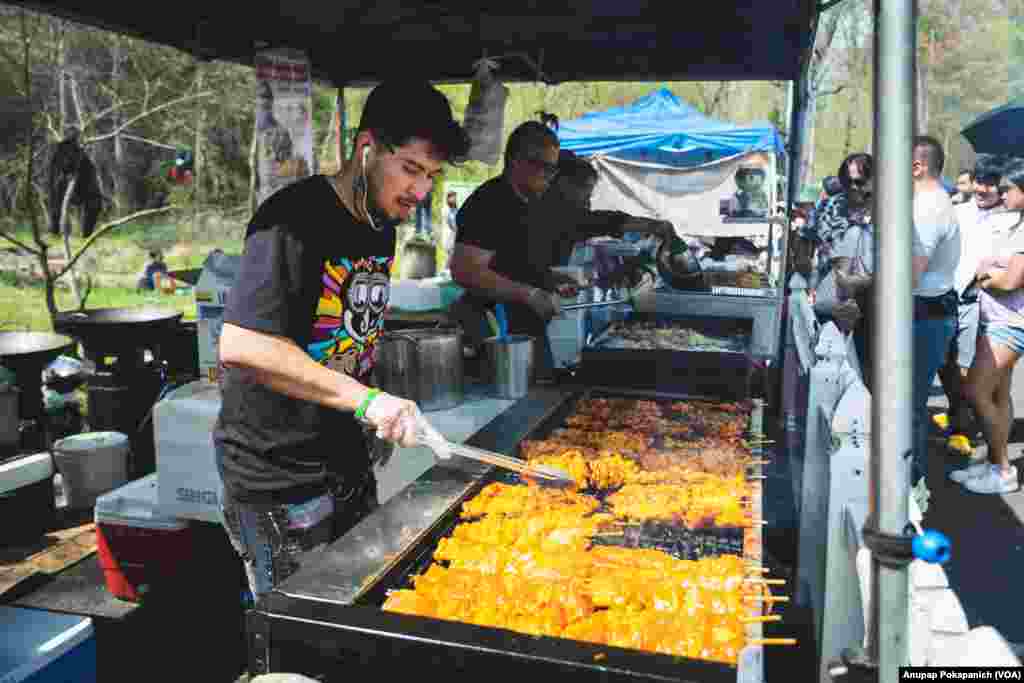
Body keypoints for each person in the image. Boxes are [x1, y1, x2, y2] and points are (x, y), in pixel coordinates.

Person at [212, 80, 469, 603]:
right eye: (412, 170)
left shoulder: (380, 226)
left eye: (433, 177)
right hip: (279, 479)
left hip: (344, 463)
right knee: (302, 642)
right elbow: (242, 344)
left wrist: (370, 404)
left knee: (360, 617)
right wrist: (369, 401)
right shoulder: (293, 219)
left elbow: (349, 332)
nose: (420, 192)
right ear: (366, 146)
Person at [450, 133, 672, 377]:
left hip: (526, 326)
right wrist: (531, 294)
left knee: (541, 391)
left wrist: (548, 279)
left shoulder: (531, 203)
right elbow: (466, 270)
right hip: (492, 330)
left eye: (553, 169)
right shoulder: (490, 202)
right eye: (545, 168)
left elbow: (511, 264)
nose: (550, 176)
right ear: (516, 161)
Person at [933, 155, 1018, 456]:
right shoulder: (957, 211)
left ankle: (968, 429)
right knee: (945, 363)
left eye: (991, 184)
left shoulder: (1011, 219)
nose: (983, 190)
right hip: (945, 297)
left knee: (974, 373)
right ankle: (961, 413)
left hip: (981, 304)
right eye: (979, 182)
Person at [950, 158, 1024, 494]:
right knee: (997, 393)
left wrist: (985, 278)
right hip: (995, 317)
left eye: (1008, 188)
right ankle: (995, 464)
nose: (1002, 193)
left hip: (1009, 323)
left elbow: (1010, 281)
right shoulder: (1010, 222)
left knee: (975, 392)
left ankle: (1004, 469)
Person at [905, 136, 960, 486]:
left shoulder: (928, 207)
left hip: (923, 315)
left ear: (916, 166)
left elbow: (911, 273)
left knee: (907, 405)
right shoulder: (929, 202)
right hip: (927, 314)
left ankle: (910, 488)